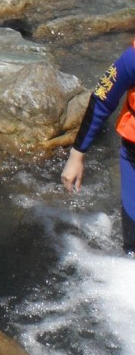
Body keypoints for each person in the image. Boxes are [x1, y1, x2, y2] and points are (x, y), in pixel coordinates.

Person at [61, 40, 135, 253]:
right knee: (133, 250)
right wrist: (76, 156)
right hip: (134, 157)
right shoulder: (132, 59)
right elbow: (102, 99)